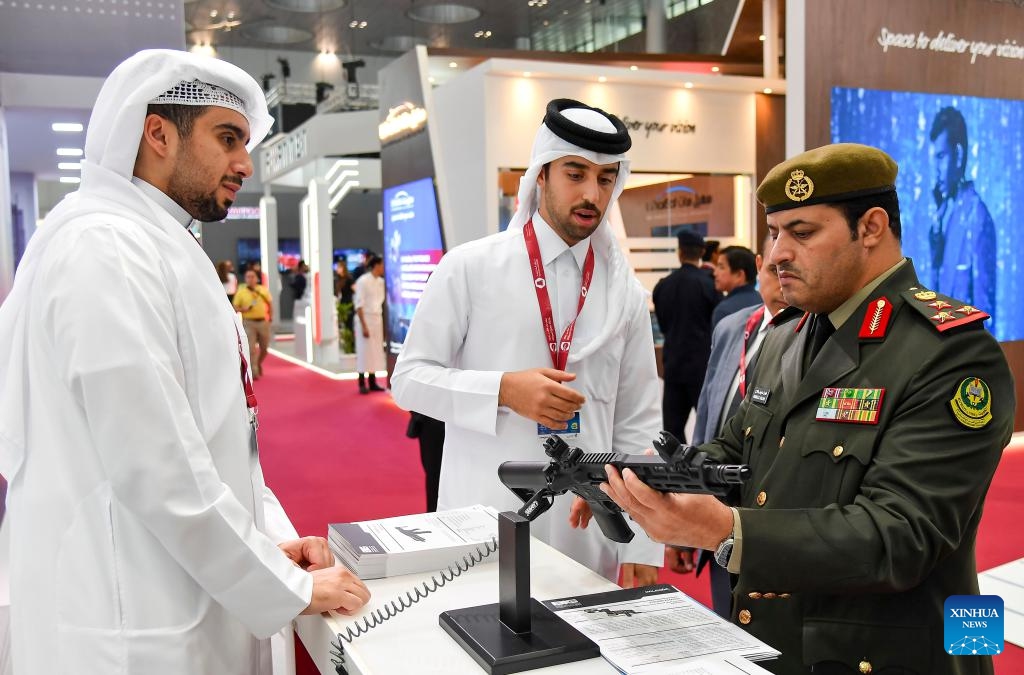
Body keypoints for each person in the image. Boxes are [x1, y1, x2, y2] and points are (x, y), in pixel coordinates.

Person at [0, 49, 369, 675]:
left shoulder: (157, 242)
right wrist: (285, 584)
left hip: (180, 586)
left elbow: (217, 436)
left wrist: (268, 545)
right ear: (158, 134)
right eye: (227, 138)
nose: (245, 163)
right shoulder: (106, 246)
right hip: (128, 623)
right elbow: (155, 462)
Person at [598, 143, 1013, 675]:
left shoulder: (950, 353)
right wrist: (635, 480)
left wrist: (728, 531)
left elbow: (902, 536)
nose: (776, 255)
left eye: (802, 232)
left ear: (871, 227)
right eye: (775, 233)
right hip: (772, 645)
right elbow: (734, 453)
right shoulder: (785, 337)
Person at [392, 98, 663, 585]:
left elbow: (638, 420)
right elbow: (409, 380)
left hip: (589, 534)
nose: (592, 194)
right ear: (541, 175)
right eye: (575, 174)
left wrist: (643, 541)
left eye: (606, 179)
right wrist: (502, 390)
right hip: (484, 524)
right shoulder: (471, 267)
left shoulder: (624, 292)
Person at [674, 235, 791, 618]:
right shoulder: (732, 327)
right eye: (773, 270)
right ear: (758, 266)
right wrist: (685, 491)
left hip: (773, 527)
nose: (783, 282)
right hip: (713, 513)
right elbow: (707, 418)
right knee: (724, 622)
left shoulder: (816, 337)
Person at [652, 230, 719, 443]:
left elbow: (663, 324)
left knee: (672, 431)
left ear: (679, 253)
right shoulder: (710, 284)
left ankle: (679, 464)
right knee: (711, 426)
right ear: (701, 252)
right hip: (703, 366)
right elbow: (718, 325)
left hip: (673, 364)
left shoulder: (663, 285)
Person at [929, 106, 996, 320]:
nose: (936, 169)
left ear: (958, 156)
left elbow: (985, 312)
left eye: (941, 157)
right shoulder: (947, 215)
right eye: (934, 159)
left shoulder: (977, 218)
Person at [354, 254, 386, 394]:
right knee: (364, 352)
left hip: (377, 319)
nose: (383, 267)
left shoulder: (381, 282)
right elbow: (359, 305)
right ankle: (362, 382)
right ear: (376, 265)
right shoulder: (363, 281)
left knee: (375, 352)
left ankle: (372, 382)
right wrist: (364, 326)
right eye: (382, 265)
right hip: (365, 318)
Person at [234, 268, 274, 379]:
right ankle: (254, 370)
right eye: (248, 277)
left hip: (263, 322)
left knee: (264, 348)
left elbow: (270, 304)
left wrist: (270, 318)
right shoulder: (241, 292)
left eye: (252, 276)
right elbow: (234, 307)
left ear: (257, 278)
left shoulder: (263, 290)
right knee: (251, 349)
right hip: (248, 322)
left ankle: (258, 363)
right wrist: (243, 309)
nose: (250, 279)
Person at [711, 245, 760, 327]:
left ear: (739, 275)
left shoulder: (724, 310)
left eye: (721, 267)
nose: (715, 273)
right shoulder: (764, 302)